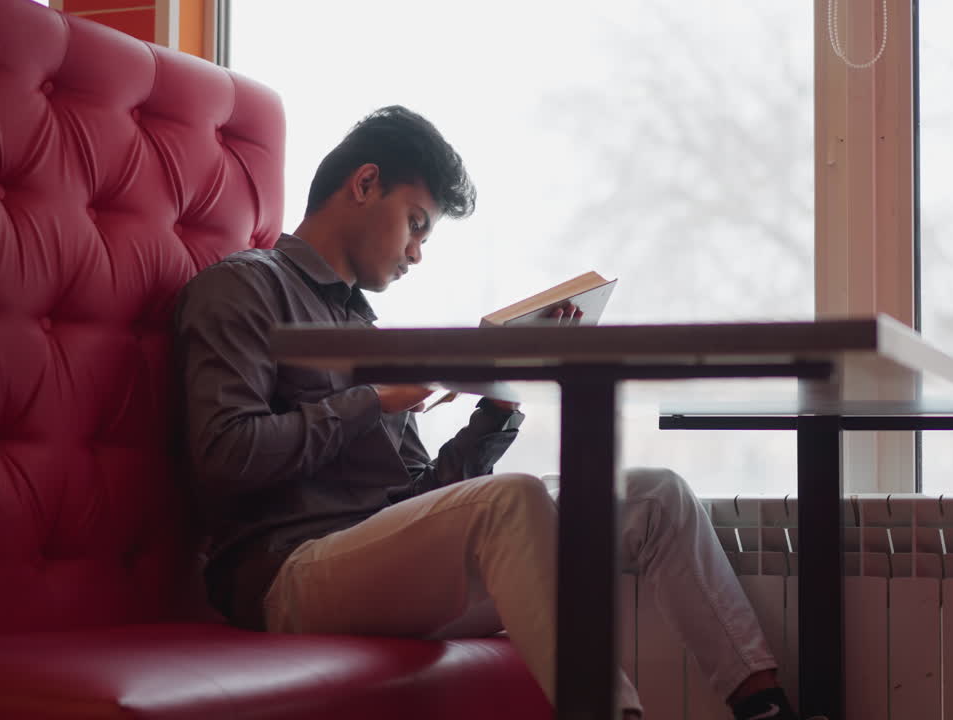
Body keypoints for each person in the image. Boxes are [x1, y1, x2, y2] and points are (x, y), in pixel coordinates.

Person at [173, 105, 797, 720]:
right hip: (286, 574)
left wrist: (500, 402)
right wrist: (375, 399)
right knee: (510, 500)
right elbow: (225, 457)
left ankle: (766, 709)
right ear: (365, 184)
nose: (417, 253)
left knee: (655, 495)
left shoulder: (363, 327)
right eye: (416, 223)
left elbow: (418, 502)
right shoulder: (244, 287)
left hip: (381, 566)